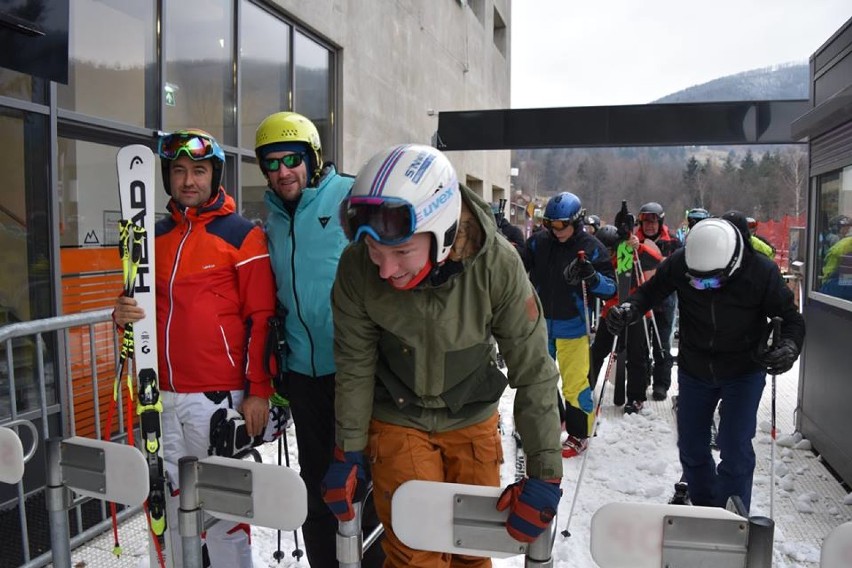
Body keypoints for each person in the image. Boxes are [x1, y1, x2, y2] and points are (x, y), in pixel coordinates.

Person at [323, 144, 563, 567]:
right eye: (377, 254)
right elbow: (355, 364)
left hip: (471, 418)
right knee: (415, 553)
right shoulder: (356, 268)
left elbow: (534, 369)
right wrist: (349, 450)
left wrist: (544, 472)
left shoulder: (497, 266)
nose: (385, 270)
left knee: (472, 549)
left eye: (400, 253)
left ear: (444, 232)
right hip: (398, 418)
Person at [113, 129, 277, 567]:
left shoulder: (243, 235)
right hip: (158, 397)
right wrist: (122, 314)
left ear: (215, 175)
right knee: (163, 507)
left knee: (223, 513)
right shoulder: (152, 237)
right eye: (179, 171)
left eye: (199, 171)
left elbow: (262, 319)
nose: (189, 180)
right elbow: (139, 306)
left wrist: (258, 390)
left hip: (215, 399)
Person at [255, 111, 384, 567]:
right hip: (303, 375)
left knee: (361, 481)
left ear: (312, 158)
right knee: (315, 485)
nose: (282, 171)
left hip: (354, 370)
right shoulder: (270, 220)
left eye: (292, 159)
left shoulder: (347, 196)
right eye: (271, 163)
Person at [606, 217, 805, 512]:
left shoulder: (761, 272)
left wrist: (788, 347)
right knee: (691, 446)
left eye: (712, 280)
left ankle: (731, 513)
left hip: (743, 368)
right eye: (698, 281)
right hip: (695, 365)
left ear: (734, 264)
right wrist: (630, 308)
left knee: (734, 446)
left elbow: (791, 319)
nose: (704, 286)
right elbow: (650, 292)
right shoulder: (680, 263)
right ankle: (706, 509)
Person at [523, 192, 616, 457]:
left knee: (575, 384)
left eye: (561, 225)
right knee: (539, 380)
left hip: (573, 326)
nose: (555, 230)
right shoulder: (538, 243)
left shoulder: (591, 245)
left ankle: (578, 433)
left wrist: (592, 276)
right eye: (550, 224)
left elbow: (610, 289)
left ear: (576, 221)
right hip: (540, 324)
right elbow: (518, 269)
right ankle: (549, 421)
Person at [590, 224, 660, 413]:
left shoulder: (629, 255)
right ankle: (587, 387)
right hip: (611, 312)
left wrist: (638, 247)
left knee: (637, 356)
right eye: (607, 250)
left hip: (634, 311)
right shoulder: (603, 261)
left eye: (611, 250)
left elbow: (656, 261)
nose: (610, 254)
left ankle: (636, 397)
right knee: (597, 352)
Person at [633, 202, 681, 401]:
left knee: (661, 343)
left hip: (665, 300)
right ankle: (641, 379)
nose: (650, 226)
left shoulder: (673, 243)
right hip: (643, 298)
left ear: (660, 222)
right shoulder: (634, 241)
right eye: (646, 222)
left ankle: (661, 383)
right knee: (641, 343)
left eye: (653, 222)